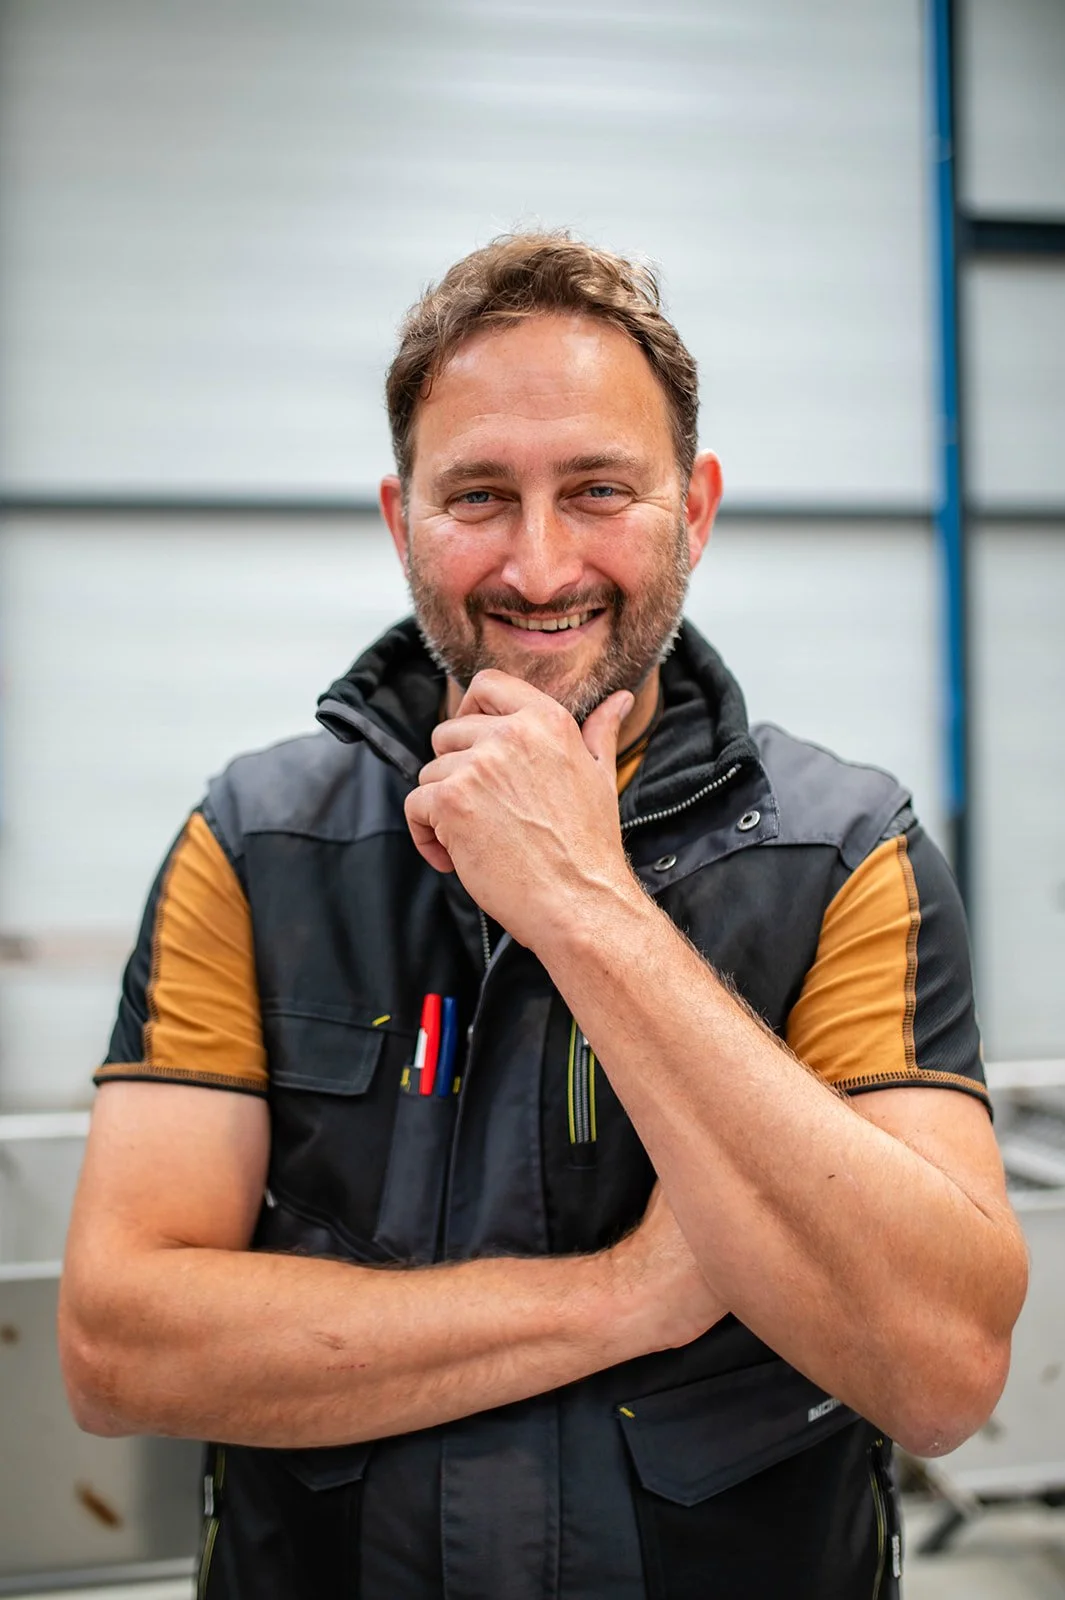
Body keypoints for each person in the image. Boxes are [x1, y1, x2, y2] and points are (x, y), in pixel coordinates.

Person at [60, 233, 1027, 1600]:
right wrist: (624, 1299)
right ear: (403, 520)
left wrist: (581, 903)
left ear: (693, 508)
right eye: (478, 497)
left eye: (597, 491)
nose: (538, 563)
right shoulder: (258, 840)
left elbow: (937, 1373)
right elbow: (120, 1348)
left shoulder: (844, 853)